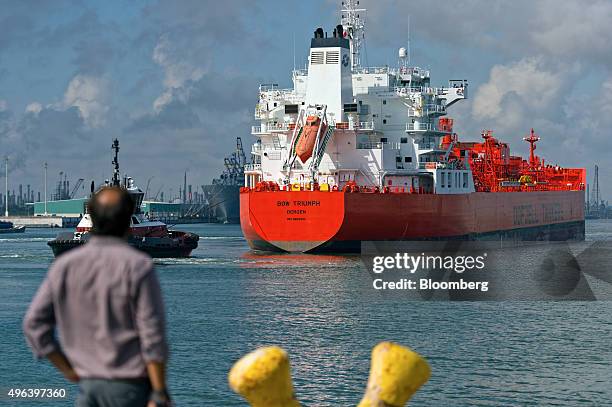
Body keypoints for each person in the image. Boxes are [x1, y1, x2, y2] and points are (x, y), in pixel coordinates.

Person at [23, 186, 172, 407]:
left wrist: (69, 370)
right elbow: (153, 334)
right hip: (131, 389)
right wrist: (160, 392)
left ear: (92, 214)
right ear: (126, 217)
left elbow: (33, 325)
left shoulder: (64, 265)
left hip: (88, 389)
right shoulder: (137, 265)